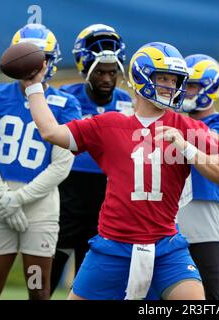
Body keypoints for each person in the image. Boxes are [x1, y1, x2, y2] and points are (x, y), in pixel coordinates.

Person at [23, 42, 219, 300]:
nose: (171, 85)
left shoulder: (186, 127)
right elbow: (51, 132)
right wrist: (33, 86)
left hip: (165, 246)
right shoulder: (109, 125)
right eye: (163, 77)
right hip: (113, 245)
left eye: (175, 79)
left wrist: (186, 147)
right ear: (143, 77)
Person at [0, 23, 81, 300]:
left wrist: (19, 199)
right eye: (28, 56)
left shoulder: (64, 103)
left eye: (41, 57)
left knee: (38, 289)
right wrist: (4, 197)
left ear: (50, 60)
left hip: (39, 208)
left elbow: (61, 165)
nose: (34, 64)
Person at [50, 24, 132, 295]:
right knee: (50, 262)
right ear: (85, 69)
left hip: (106, 193)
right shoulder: (63, 97)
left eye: (112, 72)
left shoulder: (129, 104)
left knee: (88, 276)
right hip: (66, 189)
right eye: (100, 72)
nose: (107, 79)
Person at [176, 54, 219, 300]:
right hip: (168, 211)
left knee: (209, 293)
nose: (185, 91)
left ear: (209, 87)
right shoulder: (174, 120)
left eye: (191, 85)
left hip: (203, 215)